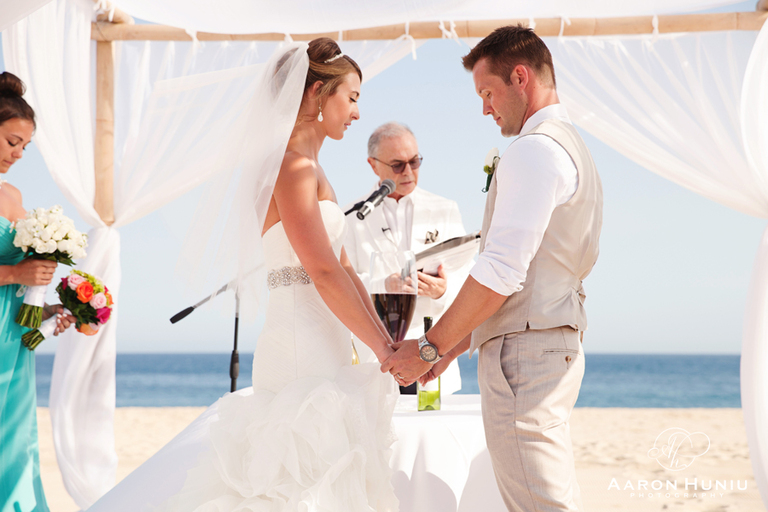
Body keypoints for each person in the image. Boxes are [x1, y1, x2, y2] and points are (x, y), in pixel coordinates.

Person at [86, 39, 399, 512]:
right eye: (351, 97)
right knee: (300, 482)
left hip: (331, 342)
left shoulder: (315, 169)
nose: (357, 113)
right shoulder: (291, 169)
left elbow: (347, 270)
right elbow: (320, 268)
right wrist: (383, 349)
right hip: (300, 347)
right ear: (317, 92)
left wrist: (385, 344)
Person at [383, 25, 603, 511]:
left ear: (520, 77)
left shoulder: (534, 150)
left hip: (526, 357)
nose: (484, 108)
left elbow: (502, 272)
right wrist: (450, 350)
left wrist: (427, 346)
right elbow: (525, 275)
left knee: (539, 503)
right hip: (551, 342)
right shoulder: (571, 146)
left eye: (487, 92)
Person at [344, 122, 472, 395]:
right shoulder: (351, 217)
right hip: (375, 360)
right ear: (373, 165)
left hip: (432, 358)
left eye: (415, 162)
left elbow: (467, 275)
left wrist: (443, 290)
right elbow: (341, 283)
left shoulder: (445, 209)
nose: (409, 172)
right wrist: (381, 284)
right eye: (398, 165)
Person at [0, 72, 74, 512]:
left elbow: (23, 279)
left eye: (24, 147)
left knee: (17, 442)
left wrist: (51, 313)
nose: (18, 154)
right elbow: (15, 273)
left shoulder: (13, 196)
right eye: (12, 141)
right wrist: (15, 274)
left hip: (13, 340)